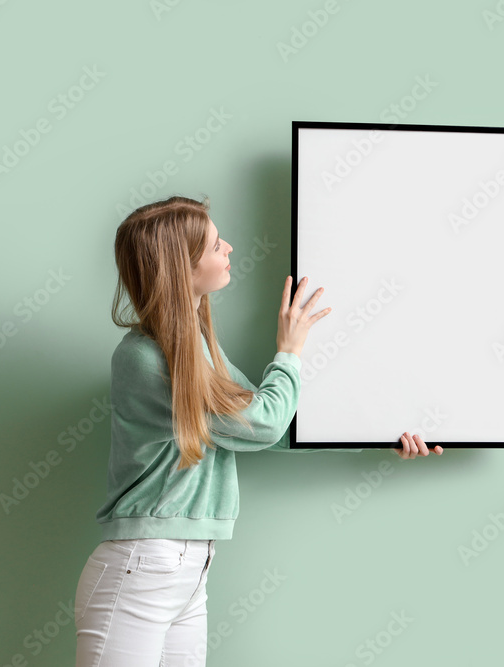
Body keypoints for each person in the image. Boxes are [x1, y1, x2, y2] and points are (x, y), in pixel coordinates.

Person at [74, 195, 441, 666]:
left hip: (188, 570)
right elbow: (264, 423)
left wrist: (381, 432)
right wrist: (288, 351)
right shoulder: (145, 359)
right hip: (143, 567)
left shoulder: (199, 348)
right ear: (181, 268)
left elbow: (270, 422)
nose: (227, 247)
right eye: (212, 245)